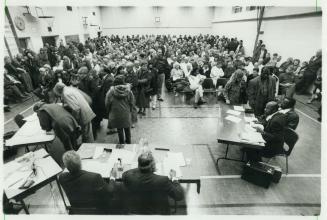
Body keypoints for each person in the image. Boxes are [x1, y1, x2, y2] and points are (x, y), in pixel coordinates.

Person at [59, 151, 123, 214]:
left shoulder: (62, 178)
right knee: (119, 187)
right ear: (80, 163)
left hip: (78, 210)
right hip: (97, 210)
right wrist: (112, 178)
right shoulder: (94, 177)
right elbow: (110, 191)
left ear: (66, 166)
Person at [122, 150, 184, 215]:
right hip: (158, 214)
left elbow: (125, 173)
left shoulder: (129, 177)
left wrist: (141, 166)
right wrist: (174, 178)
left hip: (137, 212)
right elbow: (179, 196)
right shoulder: (163, 180)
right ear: (153, 166)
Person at [105, 75, 134, 144]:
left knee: (119, 129)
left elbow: (107, 103)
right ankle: (129, 142)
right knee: (127, 128)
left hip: (115, 114)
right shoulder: (129, 92)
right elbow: (132, 102)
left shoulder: (110, 92)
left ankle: (121, 142)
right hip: (126, 113)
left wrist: (109, 111)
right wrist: (130, 110)